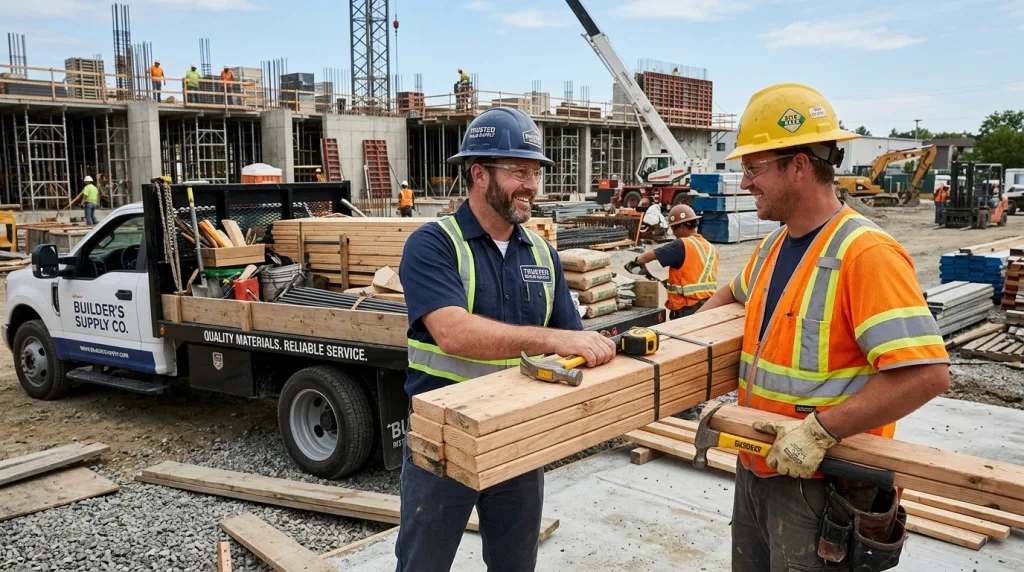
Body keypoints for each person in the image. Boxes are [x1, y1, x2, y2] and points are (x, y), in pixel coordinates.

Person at [697, 83, 950, 572]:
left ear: (798, 165)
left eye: (754, 168)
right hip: (759, 464)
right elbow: (731, 296)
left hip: (822, 478)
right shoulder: (774, 247)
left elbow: (926, 374)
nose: (745, 183)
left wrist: (819, 432)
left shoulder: (866, 254)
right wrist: (679, 343)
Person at [396, 107, 617, 572]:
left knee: (515, 564)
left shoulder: (542, 254)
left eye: (535, 173)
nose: (532, 185)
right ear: (479, 174)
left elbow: (571, 341)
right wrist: (556, 341)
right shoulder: (434, 244)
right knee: (423, 564)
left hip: (518, 438)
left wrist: (597, 352)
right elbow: (453, 333)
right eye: (519, 171)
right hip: (445, 443)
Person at [627, 204, 718, 319]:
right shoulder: (711, 248)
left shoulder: (681, 244)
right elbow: (695, 272)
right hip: (708, 305)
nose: (673, 233)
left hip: (687, 308)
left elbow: (647, 257)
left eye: (674, 228)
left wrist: (636, 261)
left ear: (683, 226)